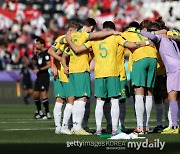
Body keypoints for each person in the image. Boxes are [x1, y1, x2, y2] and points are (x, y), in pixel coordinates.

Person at [65, 21, 153, 135]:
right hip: (113, 72)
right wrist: (146, 42)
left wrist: (69, 40)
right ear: (113, 29)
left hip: (99, 73)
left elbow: (77, 50)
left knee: (100, 101)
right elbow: (131, 45)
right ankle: (115, 129)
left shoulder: (94, 40)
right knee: (115, 100)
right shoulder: (115, 37)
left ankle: (98, 129)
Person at [62, 17, 122, 135]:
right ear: (92, 27)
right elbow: (79, 48)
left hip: (73, 70)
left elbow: (63, 53)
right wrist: (112, 32)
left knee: (77, 99)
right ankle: (78, 127)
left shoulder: (70, 36)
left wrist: (64, 65)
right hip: (81, 69)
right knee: (82, 98)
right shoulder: (84, 35)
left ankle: (73, 126)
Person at [141, 22, 180, 134]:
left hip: (174, 69)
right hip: (177, 66)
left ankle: (174, 127)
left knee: (172, 97)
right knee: (177, 98)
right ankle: (174, 125)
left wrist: (141, 31)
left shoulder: (160, 38)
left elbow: (151, 36)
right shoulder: (170, 39)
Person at [120, 21, 158, 134]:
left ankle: (140, 127)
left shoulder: (127, 32)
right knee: (149, 93)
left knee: (139, 93)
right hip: (153, 58)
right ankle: (146, 126)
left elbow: (116, 36)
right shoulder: (146, 33)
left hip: (140, 58)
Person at [48, 21, 81, 134]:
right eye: (77, 32)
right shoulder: (66, 39)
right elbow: (53, 52)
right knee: (71, 99)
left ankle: (58, 127)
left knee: (59, 99)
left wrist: (54, 65)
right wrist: (61, 61)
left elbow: (51, 51)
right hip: (65, 72)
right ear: (72, 30)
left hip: (58, 71)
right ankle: (64, 127)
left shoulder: (59, 38)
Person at [32, 37, 51, 120]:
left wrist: (39, 69)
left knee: (43, 95)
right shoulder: (39, 54)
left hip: (44, 76)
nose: (36, 45)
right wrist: (34, 55)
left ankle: (47, 113)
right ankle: (39, 112)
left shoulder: (46, 53)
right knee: (35, 95)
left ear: (42, 44)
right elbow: (35, 64)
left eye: (38, 44)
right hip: (38, 77)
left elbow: (49, 65)